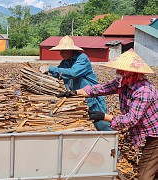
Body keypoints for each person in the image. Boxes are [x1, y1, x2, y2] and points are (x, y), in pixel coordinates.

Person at [69, 49, 158, 180]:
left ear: (131, 73)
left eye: (121, 71)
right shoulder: (124, 83)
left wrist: (103, 116)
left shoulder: (143, 91)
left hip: (155, 136)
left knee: (144, 175)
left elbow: (131, 120)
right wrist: (75, 93)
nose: (117, 73)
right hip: (145, 133)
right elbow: (101, 89)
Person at [39, 35, 112, 131]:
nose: (62, 53)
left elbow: (73, 73)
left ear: (71, 50)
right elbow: (59, 75)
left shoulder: (82, 58)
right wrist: (46, 74)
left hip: (92, 98)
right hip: (77, 99)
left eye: (64, 50)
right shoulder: (65, 62)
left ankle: (112, 144)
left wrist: (51, 68)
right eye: (61, 51)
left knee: (101, 124)